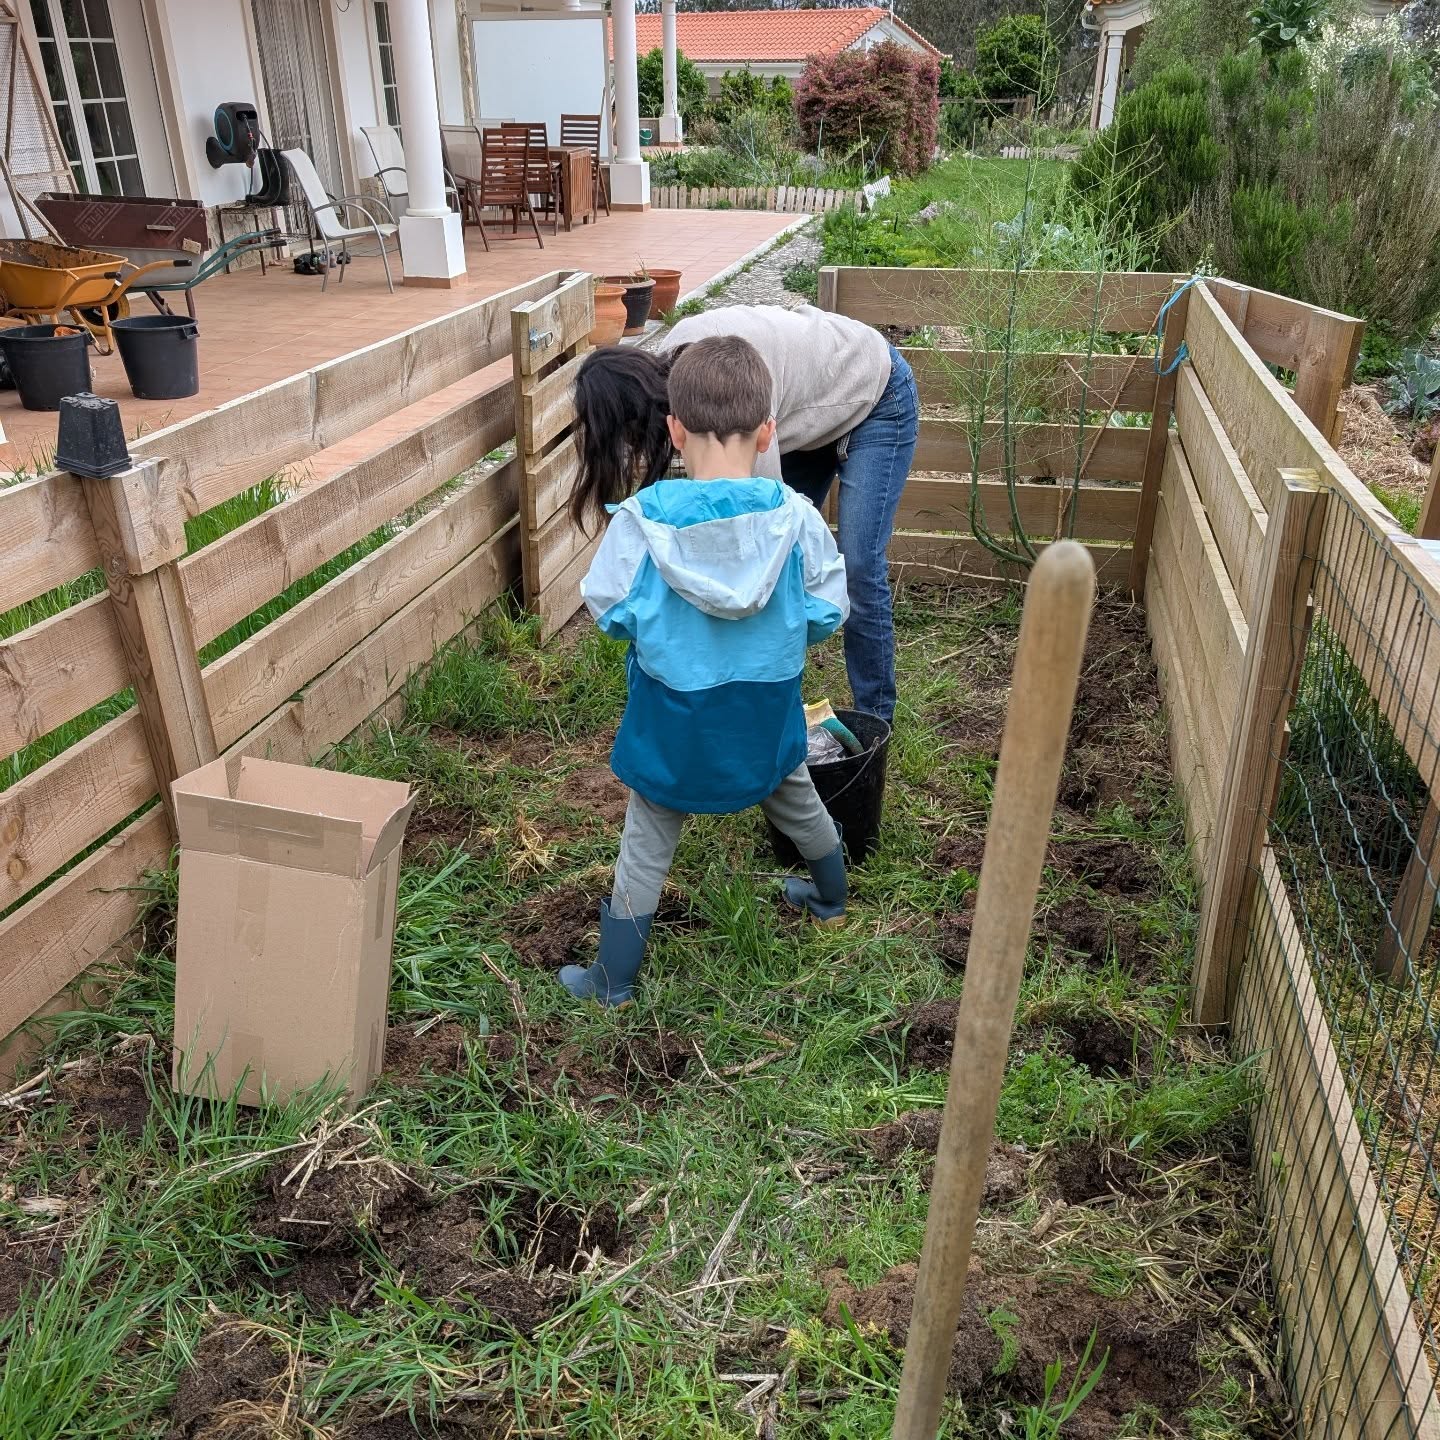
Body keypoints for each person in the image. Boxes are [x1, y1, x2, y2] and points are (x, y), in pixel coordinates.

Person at [559, 335, 851, 1007]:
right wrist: (782, 633)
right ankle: (831, 897)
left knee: (646, 841)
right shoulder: (797, 518)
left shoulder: (640, 522)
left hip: (675, 726)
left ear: (674, 429)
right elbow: (828, 608)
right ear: (768, 432)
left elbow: (607, 606)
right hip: (765, 715)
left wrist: (652, 627)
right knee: (797, 796)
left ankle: (613, 978)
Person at [570, 304, 919, 725]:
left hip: (873, 391)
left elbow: (757, 530)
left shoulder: (736, 382)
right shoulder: (683, 377)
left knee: (855, 565)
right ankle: (758, 706)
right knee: (776, 566)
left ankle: (874, 719)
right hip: (801, 416)